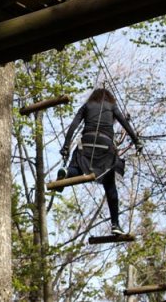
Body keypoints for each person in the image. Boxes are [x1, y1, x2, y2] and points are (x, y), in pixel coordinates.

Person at [57, 88, 142, 235]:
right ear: (109, 98)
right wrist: (137, 141)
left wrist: (66, 146)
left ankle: (67, 173)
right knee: (110, 186)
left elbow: (73, 126)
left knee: (78, 169)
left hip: (86, 144)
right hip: (105, 147)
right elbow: (124, 124)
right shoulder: (111, 106)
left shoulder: (87, 106)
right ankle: (115, 224)